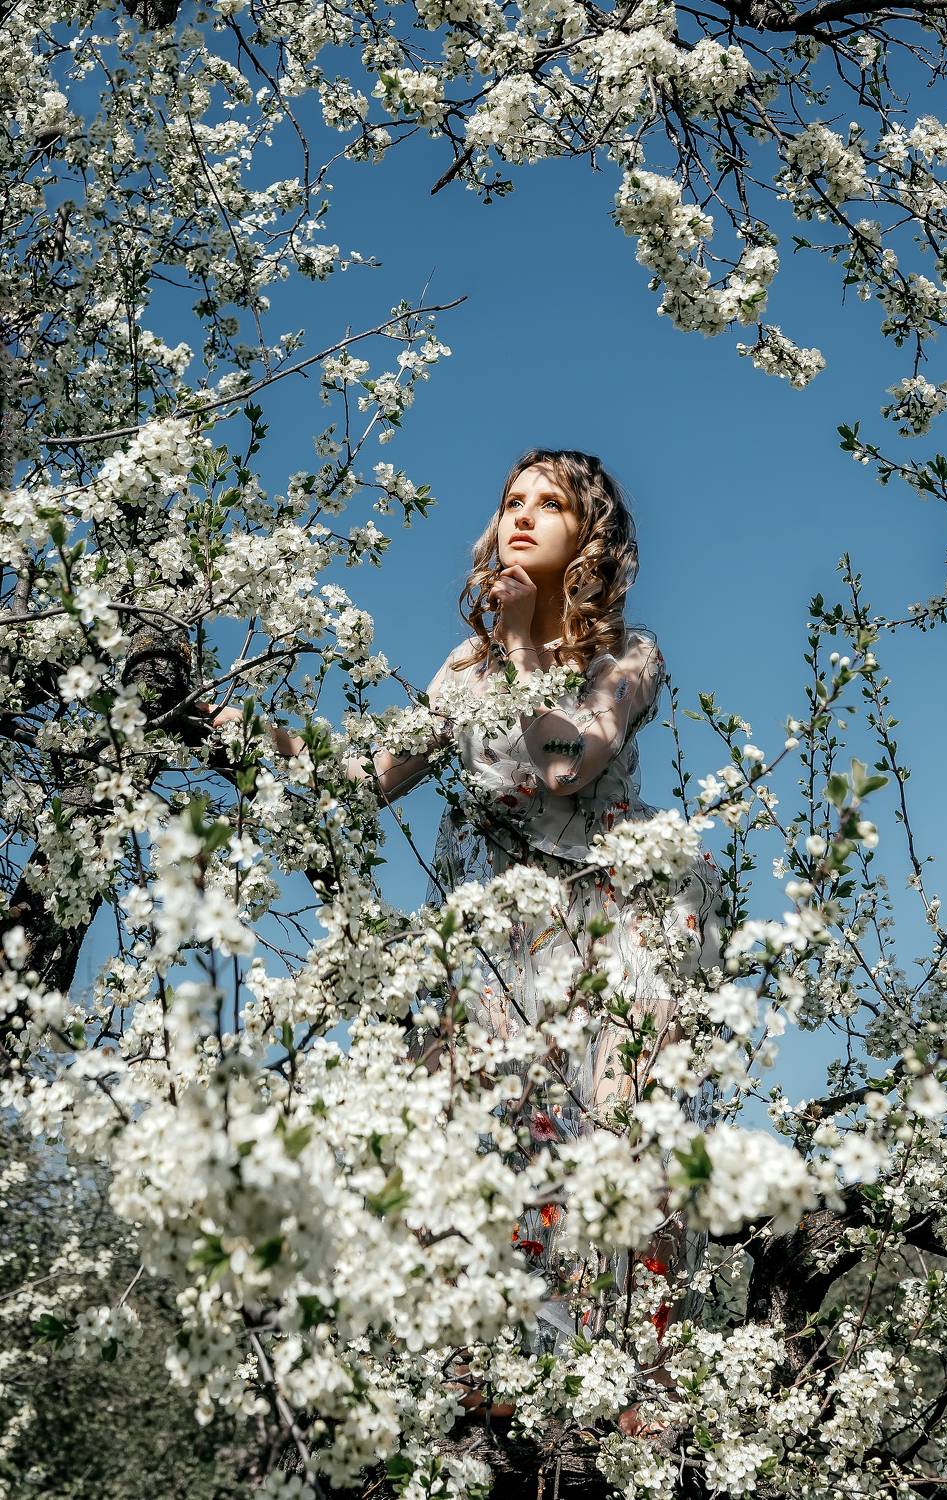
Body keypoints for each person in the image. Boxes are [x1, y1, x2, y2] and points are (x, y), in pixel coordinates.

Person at [204, 448, 725, 1417]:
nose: (520, 516)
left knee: (619, 1145)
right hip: (502, 935)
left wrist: (521, 645)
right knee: (476, 1131)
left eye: (549, 505)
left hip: (622, 923)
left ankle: (629, 1395)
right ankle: (481, 1380)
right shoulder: (465, 668)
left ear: (589, 538)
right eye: (510, 501)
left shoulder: (628, 656)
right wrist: (233, 727)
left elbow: (569, 762)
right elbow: (363, 778)